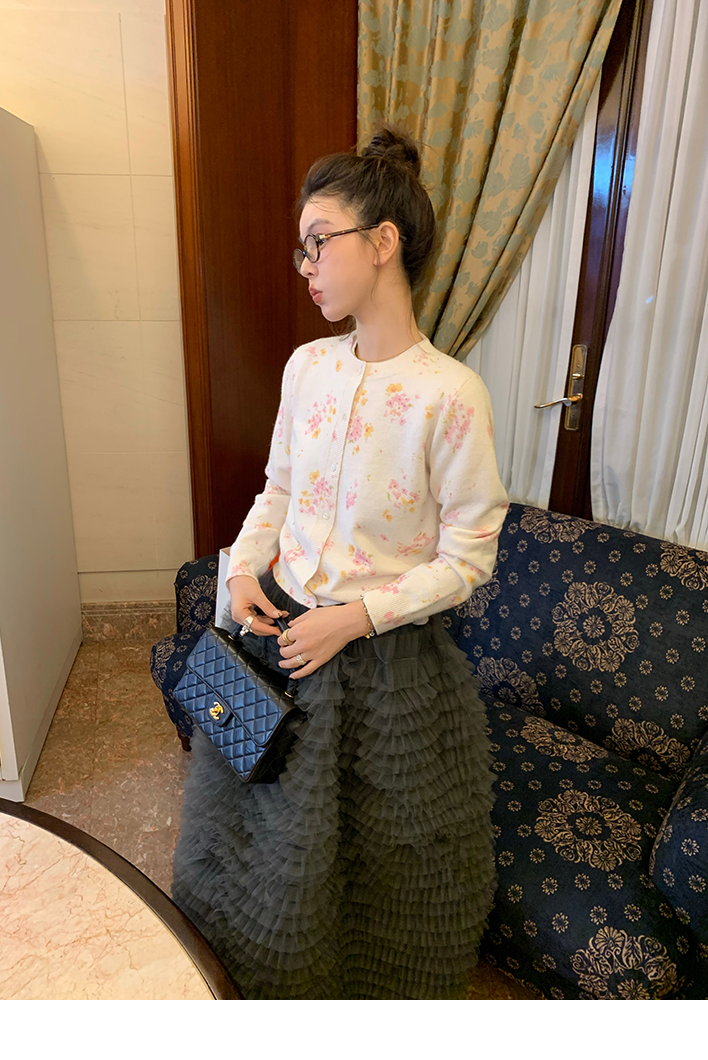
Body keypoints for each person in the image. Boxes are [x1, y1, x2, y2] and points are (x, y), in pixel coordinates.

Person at [171, 123, 510, 999]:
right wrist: (240, 574)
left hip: (386, 664)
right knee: (251, 822)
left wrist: (353, 619)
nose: (307, 265)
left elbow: (470, 556)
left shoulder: (450, 394)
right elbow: (279, 489)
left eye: (319, 241)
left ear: (383, 241)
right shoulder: (307, 367)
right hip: (277, 634)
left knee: (378, 855)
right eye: (304, 248)